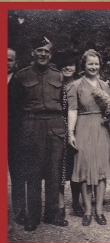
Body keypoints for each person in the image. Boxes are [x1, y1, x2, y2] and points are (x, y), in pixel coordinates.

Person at [15, 37, 67, 231]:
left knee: (54, 173)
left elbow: (64, 104)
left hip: (55, 125)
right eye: (39, 50)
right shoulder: (22, 76)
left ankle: (53, 214)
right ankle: (33, 216)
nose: (43, 54)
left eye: (46, 51)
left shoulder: (58, 76)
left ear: (50, 55)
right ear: (33, 53)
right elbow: (14, 108)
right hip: (32, 125)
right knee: (33, 173)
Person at [67, 49, 110, 226]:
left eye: (96, 64)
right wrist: (71, 133)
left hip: (102, 128)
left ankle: (99, 211)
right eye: (90, 64)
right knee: (85, 170)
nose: (93, 67)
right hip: (83, 127)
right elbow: (72, 110)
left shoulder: (104, 86)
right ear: (84, 65)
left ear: (99, 65)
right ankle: (87, 211)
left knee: (101, 171)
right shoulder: (76, 85)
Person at [53, 50, 85, 218]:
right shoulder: (55, 83)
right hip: (57, 128)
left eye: (71, 64)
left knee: (76, 167)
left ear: (76, 67)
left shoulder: (81, 84)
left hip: (79, 128)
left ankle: (76, 202)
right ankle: (59, 204)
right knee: (59, 167)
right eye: (64, 64)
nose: (68, 67)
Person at [8, 48, 26, 225]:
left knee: (18, 173)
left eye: (10, 60)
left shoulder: (19, 82)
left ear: (15, 63)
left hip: (14, 134)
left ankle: (20, 210)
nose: (6, 63)